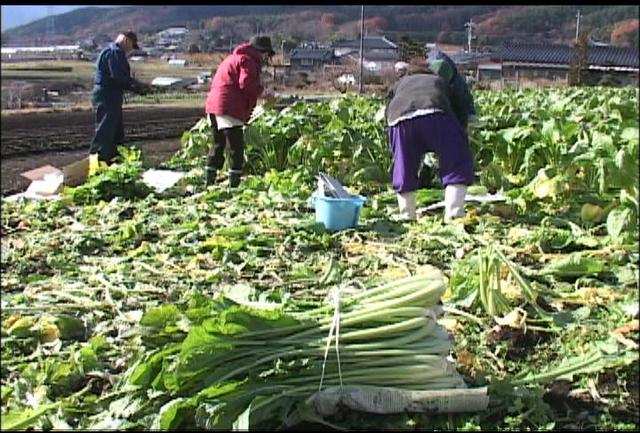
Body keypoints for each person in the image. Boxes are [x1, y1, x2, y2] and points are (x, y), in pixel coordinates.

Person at [383, 65, 475, 222]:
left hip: (399, 118)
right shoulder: (439, 81)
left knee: (404, 164)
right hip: (435, 112)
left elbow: (388, 105)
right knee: (457, 160)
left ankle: (407, 214)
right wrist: (460, 133)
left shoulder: (401, 83)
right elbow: (459, 108)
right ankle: (454, 213)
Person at [204, 35, 276, 187]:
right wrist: (264, 92)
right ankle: (233, 186)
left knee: (218, 145)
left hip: (213, 105)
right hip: (230, 106)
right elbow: (246, 84)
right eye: (267, 55)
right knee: (236, 147)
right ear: (262, 52)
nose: (266, 59)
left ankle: (208, 182)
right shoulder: (248, 60)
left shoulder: (232, 58)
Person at [88, 30, 150, 169]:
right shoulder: (115, 53)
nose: (130, 51)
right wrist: (138, 87)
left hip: (109, 94)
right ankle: (97, 165)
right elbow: (119, 78)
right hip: (107, 95)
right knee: (106, 131)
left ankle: (112, 164)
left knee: (115, 132)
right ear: (126, 41)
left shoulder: (110, 51)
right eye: (132, 46)